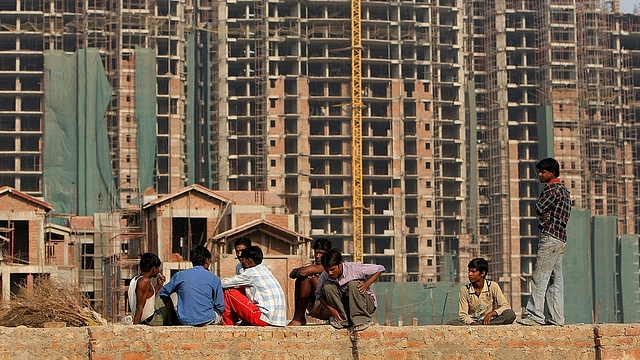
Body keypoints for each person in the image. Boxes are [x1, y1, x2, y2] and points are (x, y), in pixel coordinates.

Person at [517, 157, 571, 326]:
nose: (540, 175)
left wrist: (544, 214)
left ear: (552, 173)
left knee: (540, 277)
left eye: (543, 172)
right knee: (555, 279)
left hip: (549, 237)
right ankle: (556, 318)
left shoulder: (551, 189)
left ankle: (535, 315)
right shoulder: (564, 190)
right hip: (560, 238)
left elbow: (539, 207)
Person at [315, 248, 384, 331]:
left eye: (332, 269)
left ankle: (361, 320)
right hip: (348, 305)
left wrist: (366, 285)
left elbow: (380, 269)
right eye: (327, 270)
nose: (330, 273)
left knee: (353, 284)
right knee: (328, 287)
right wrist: (331, 309)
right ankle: (344, 319)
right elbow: (318, 294)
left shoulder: (354, 268)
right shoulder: (324, 275)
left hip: (365, 304)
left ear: (340, 265)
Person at [221, 245, 287, 326]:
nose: (242, 263)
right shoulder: (265, 270)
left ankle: (227, 325)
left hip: (264, 318)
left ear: (249, 261)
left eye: (243, 261)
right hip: (278, 320)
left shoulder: (251, 272)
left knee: (229, 292)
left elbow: (225, 283)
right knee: (241, 288)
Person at [159, 245, 225, 326]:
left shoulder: (180, 275)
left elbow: (163, 293)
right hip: (207, 319)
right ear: (207, 261)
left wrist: (171, 312)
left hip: (184, 320)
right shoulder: (214, 278)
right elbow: (220, 307)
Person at [447, 258, 516, 326]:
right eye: (469, 271)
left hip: (488, 320)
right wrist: (472, 323)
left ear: (482, 273)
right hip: (471, 321)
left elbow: (506, 306)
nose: (469, 274)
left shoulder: (492, 286)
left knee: (510, 314)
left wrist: (492, 313)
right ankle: (481, 326)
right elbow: (463, 314)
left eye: (473, 271)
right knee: (452, 322)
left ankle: (485, 325)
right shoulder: (465, 289)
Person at [287, 237, 333, 326]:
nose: (317, 256)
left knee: (308, 278)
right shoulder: (314, 267)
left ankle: (299, 317)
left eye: (321, 253)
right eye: (316, 253)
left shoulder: (328, 266)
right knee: (302, 279)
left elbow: (302, 272)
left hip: (330, 307)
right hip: (317, 305)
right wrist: (304, 271)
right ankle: (298, 317)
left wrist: (305, 272)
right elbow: (292, 274)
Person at [128, 253, 167, 325]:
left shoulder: (135, 279)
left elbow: (148, 299)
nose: (158, 271)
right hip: (150, 321)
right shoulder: (145, 281)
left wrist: (158, 286)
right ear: (154, 269)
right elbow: (139, 307)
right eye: (158, 268)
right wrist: (135, 328)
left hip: (145, 319)